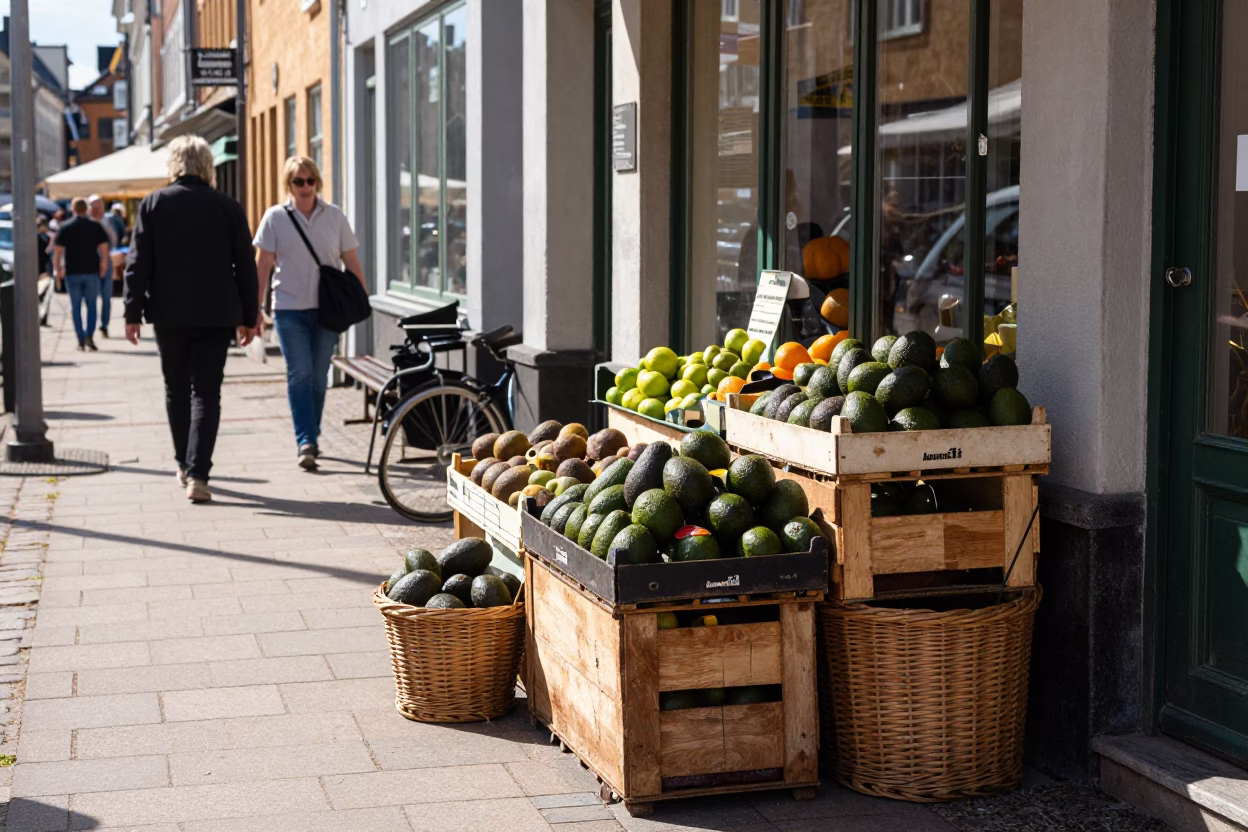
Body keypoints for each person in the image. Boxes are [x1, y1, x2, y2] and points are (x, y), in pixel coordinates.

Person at [123, 136, 259, 504]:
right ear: (207, 165)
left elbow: (138, 264)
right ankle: (198, 473)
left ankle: (184, 463)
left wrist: (132, 313)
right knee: (207, 394)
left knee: (176, 391)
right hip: (216, 315)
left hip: (169, 314)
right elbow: (245, 266)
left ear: (175, 164)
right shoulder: (227, 206)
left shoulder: (154, 204)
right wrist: (250, 316)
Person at [254, 156, 364, 470]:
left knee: (318, 378)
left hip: (327, 311)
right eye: (297, 181)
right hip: (289, 310)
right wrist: (254, 310)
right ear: (288, 185)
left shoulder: (334, 216)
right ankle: (305, 439)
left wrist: (359, 297)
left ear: (318, 182)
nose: (304, 187)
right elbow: (263, 266)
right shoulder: (275, 217)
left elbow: (351, 259)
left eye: (309, 180)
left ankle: (311, 433)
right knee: (299, 374)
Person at [52, 197, 109, 351]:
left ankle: (80, 339)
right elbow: (104, 249)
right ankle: (89, 334)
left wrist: (57, 270)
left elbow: (57, 252)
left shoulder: (65, 226)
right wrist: (103, 266)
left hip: (72, 272)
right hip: (91, 271)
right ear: (86, 209)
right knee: (92, 306)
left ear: (73, 209)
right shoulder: (95, 226)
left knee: (75, 307)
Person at [88, 194, 117, 337]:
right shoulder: (85, 223)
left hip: (106, 261)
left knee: (106, 296)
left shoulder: (108, 221)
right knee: (91, 297)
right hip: (91, 263)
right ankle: (91, 328)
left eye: (99, 207)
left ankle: (104, 325)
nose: (97, 210)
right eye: (94, 207)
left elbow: (114, 240)